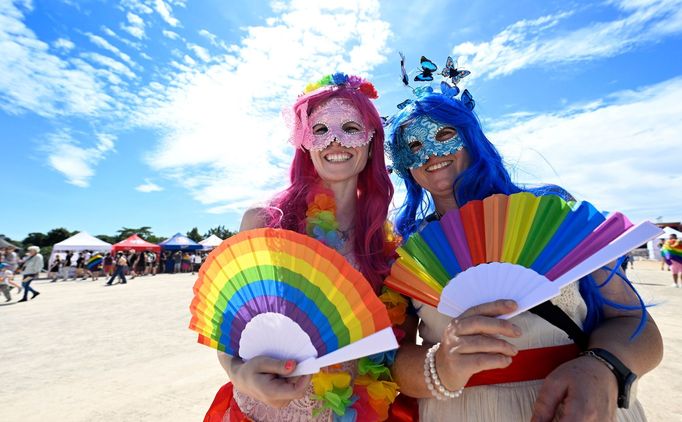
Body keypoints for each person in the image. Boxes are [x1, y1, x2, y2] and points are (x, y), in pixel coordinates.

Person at [384, 66, 663, 421]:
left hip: (578, 405)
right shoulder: (406, 251)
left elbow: (634, 322)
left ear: (471, 137)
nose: (430, 153)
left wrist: (604, 366)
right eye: (414, 146)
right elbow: (394, 358)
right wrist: (440, 364)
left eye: (444, 133)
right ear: (404, 163)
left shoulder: (556, 217)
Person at [205, 73, 408, 422]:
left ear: (372, 141)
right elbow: (227, 332)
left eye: (350, 127)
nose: (335, 141)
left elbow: (395, 349)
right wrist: (240, 375)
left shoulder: (387, 244)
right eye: (320, 130)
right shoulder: (265, 223)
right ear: (305, 142)